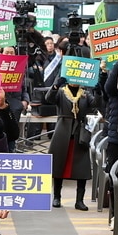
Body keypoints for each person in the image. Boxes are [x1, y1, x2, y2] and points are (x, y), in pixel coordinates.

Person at [46, 77, 97, 210]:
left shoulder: (85, 94)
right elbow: (49, 99)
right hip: (62, 132)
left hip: (80, 133)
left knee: (82, 168)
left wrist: (98, 91)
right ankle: (56, 197)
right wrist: (55, 86)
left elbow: (96, 104)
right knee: (58, 166)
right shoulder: (61, 92)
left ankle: (79, 200)